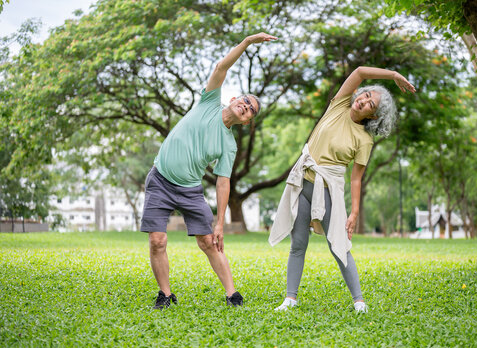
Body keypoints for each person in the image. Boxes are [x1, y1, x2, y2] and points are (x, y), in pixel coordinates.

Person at [141, 32, 277, 309]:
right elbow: (221, 67)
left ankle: (232, 295)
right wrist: (247, 42)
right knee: (157, 240)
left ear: (248, 121)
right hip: (160, 179)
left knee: (209, 242)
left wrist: (219, 222)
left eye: (251, 110)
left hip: (190, 190)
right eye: (246, 101)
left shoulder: (229, 145)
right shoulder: (209, 103)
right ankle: (165, 295)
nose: (246, 107)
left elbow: (223, 182)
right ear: (235, 98)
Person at [269, 66, 415, 313]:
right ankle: (290, 298)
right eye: (366, 95)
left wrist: (354, 213)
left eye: (371, 105)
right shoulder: (338, 106)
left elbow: (356, 179)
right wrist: (392, 75)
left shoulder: (364, 140)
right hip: (302, 181)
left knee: (339, 245)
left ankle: (359, 301)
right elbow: (358, 72)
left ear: (374, 116)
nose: (364, 101)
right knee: (298, 244)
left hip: (328, 190)